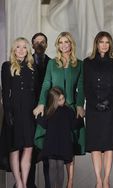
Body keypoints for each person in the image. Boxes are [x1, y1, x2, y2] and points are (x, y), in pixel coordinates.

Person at [33, 31, 85, 188]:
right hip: (53, 109)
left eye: (66, 42)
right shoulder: (52, 63)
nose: (64, 45)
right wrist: (42, 103)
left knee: (68, 147)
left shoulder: (79, 64)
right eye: (60, 42)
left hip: (70, 110)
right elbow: (46, 84)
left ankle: (69, 182)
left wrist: (79, 105)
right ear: (57, 45)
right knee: (52, 149)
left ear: (71, 44)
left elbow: (81, 88)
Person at [83, 31, 113, 188]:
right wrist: (95, 102)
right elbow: (86, 85)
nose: (104, 45)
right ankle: (98, 181)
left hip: (111, 108)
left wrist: (108, 101)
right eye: (102, 42)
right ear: (96, 43)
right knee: (95, 145)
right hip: (94, 109)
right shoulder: (88, 62)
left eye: (107, 42)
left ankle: (106, 179)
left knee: (108, 145)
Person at [1, 37, 38, 188]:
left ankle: (24, 181)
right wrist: (8, 113)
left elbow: (35, 92)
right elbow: (5, 92)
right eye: (18, 47)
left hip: (29, 113)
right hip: (14, 112)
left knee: (29, 148)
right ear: (13, 50)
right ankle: (20, 184)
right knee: (14, 148)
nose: (21, 50)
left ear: (28, 50)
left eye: (24, 47)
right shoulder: (7, 65)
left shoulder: (32, 67)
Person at [35, 87, 77, 188]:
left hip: (63, 143)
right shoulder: (49, 112)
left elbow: (73, 125)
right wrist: (37, 115)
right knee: (53, 166)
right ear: (53, 100)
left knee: (60, 166)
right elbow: (44, 123)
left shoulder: (68, 111)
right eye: (59, 100)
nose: (62, 101)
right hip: (51, 144)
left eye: (63, 98)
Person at [27, 32, 51, 188]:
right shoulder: (26, 62)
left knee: (47, 150)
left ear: (46, 45)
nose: (39, 44)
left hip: (48, 112)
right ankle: (29, 184)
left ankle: (49, 184)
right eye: (36, 42)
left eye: (42, 42)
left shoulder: (52, 62)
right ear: (32, 44)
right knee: (31, 151)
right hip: (30, 111)